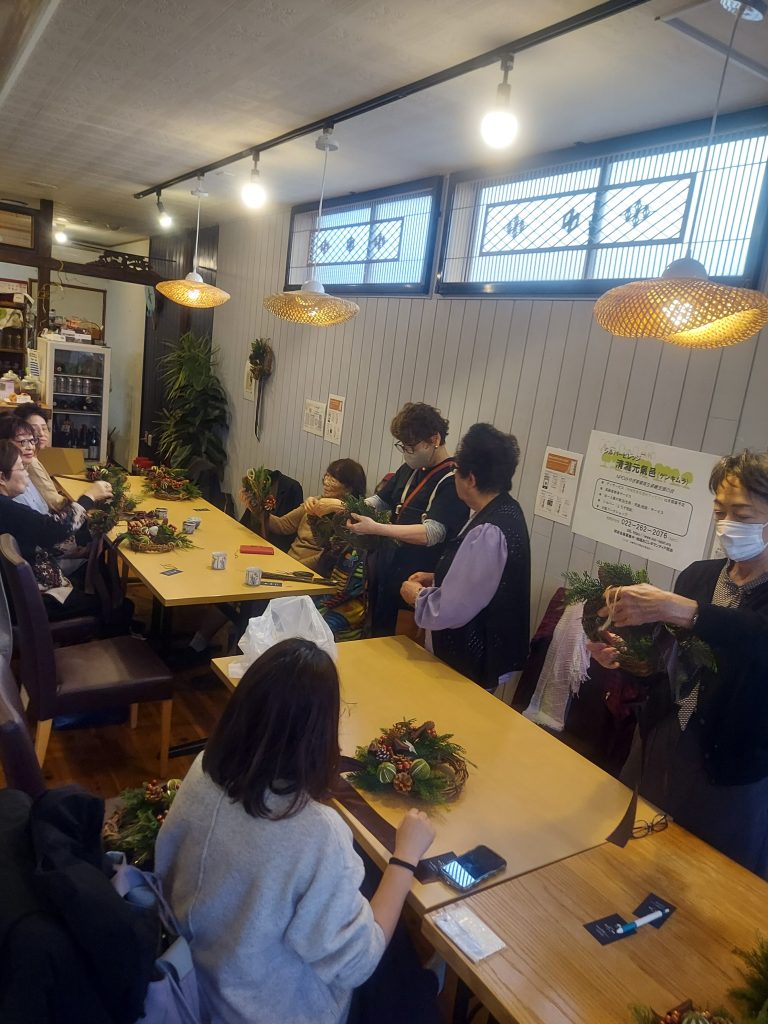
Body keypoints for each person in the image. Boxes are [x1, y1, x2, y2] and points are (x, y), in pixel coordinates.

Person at [155, 638, 436, 1024]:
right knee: (393, 948)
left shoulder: (203, 770)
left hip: (191, 978)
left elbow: (166, 864)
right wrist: (405, 856)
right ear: (322, 733)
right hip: (263, 1009)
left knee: (365, 883)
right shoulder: (317, 833)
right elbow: (358, 964)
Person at [588, 450, 768, 877]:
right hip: (663, 736)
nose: (727, 525)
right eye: (720, 512)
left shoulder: (696, 600)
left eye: (742, 514)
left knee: (708, 877)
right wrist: (627, 658)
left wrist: (685, 611)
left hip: (732, 761)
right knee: (628, 852)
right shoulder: (698, 577)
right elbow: (670, 665)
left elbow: (755, 638)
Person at [399, 423, 530, 690]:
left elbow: (451, 609)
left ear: (471, 479)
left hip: (468, 659)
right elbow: (482, 581)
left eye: (456, 470)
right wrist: (438, 577)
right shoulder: (507, 509)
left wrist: (417, 596)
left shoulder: (489, 530)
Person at [347, 403, 468, 636]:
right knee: (377, 631)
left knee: (400, 641)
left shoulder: (451, 480)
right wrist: (348, 508)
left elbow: (432, 533)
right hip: (389, 567)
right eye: (402, 446)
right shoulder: (410, 469)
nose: (407, 452)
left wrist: (379, 528)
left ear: (434, 439)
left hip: (418, 576)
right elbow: (381, 500)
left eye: (411, 446)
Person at [0, 439, 112, 621]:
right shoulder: (8, 509)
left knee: (97, 572)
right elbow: (55, 529)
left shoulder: (7, 506)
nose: (27, 473)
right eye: (21, 468)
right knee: (111, 603)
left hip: (26, 590)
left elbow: (42, 532)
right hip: (39, 599)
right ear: (2, 478)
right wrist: (89, 497)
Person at [269, 459, 367, 570]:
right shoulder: (315, 501)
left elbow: (327, 558)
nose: (326, 482)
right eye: (327, 476)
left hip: (309, 571)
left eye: (333, 480)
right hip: (289, 563)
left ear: (348, 489)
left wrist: (294, 567)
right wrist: (259, 508)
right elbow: (283, 525)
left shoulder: (350, 518)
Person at [12, 405, 67, 511]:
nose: (41, 433)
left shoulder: (33, 458)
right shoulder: (30, 462)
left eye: (44, 428)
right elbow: (55, 502)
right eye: (34, 429)